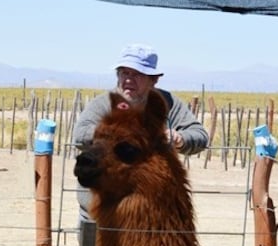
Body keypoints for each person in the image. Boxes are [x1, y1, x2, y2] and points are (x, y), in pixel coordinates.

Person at [73, 43, 209, 223]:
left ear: (154, 79)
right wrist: (118, 135)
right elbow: (80, 134)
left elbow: (200, 135)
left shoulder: (166, 103)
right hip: (101, 212)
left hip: (149, 214)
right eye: (124, 73)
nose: (129, 80)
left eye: (137, 74)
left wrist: (181, 139)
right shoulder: (104, 103)